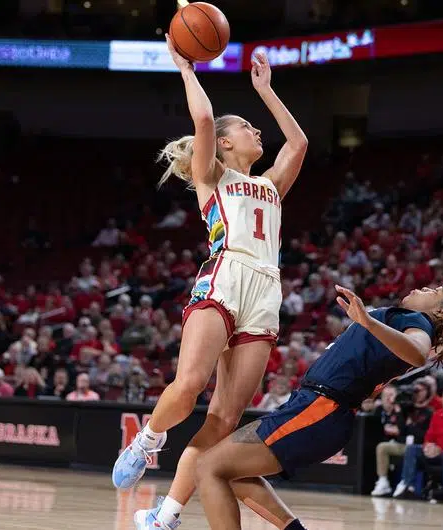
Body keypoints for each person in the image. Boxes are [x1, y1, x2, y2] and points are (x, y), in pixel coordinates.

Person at [114, 36, 309, 530]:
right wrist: (187, 69)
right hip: (225, 273)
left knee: (223, 420)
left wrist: (266, 91)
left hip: (266, 290)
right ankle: (148, 440)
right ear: (224, 142)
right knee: (189, 385)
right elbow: (203, 119)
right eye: (246, 126)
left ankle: (165, 516)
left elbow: (299, 144)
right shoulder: (212, 175)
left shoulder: (270, 185)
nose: (256, 130)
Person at [192, 284, 443, 530]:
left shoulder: (418, 323)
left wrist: (367, 321)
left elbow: (419, 353)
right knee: (230, 472)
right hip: (318, 409)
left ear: (440, 312)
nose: (423, 288)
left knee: (209, 467)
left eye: (435, 291)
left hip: (321, 408)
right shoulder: (404, 323)